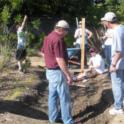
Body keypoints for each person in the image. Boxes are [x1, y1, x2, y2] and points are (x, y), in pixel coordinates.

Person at [41, 20, 74, 124]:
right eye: (67, 31)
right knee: (65, 97)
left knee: (53, 95)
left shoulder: (48, 37)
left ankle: (53, 118)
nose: (67, 33)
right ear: (62, 29)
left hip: (49, 71)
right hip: (57, 72)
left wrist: (50, 60)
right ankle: (68, 121)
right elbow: (60, 59)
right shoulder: (58, 39)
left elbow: (42, 52)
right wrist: (68, 75)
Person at [101, 12, 124, 115]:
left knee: (116, 84)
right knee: (122, 83)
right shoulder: (122, 28)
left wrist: (113, 64)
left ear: (108, 22)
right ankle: (122, 101)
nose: (104, 23)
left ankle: (118, 107)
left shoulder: (116, 32)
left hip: (118, 63)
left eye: (105, 21)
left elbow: (119, 51)